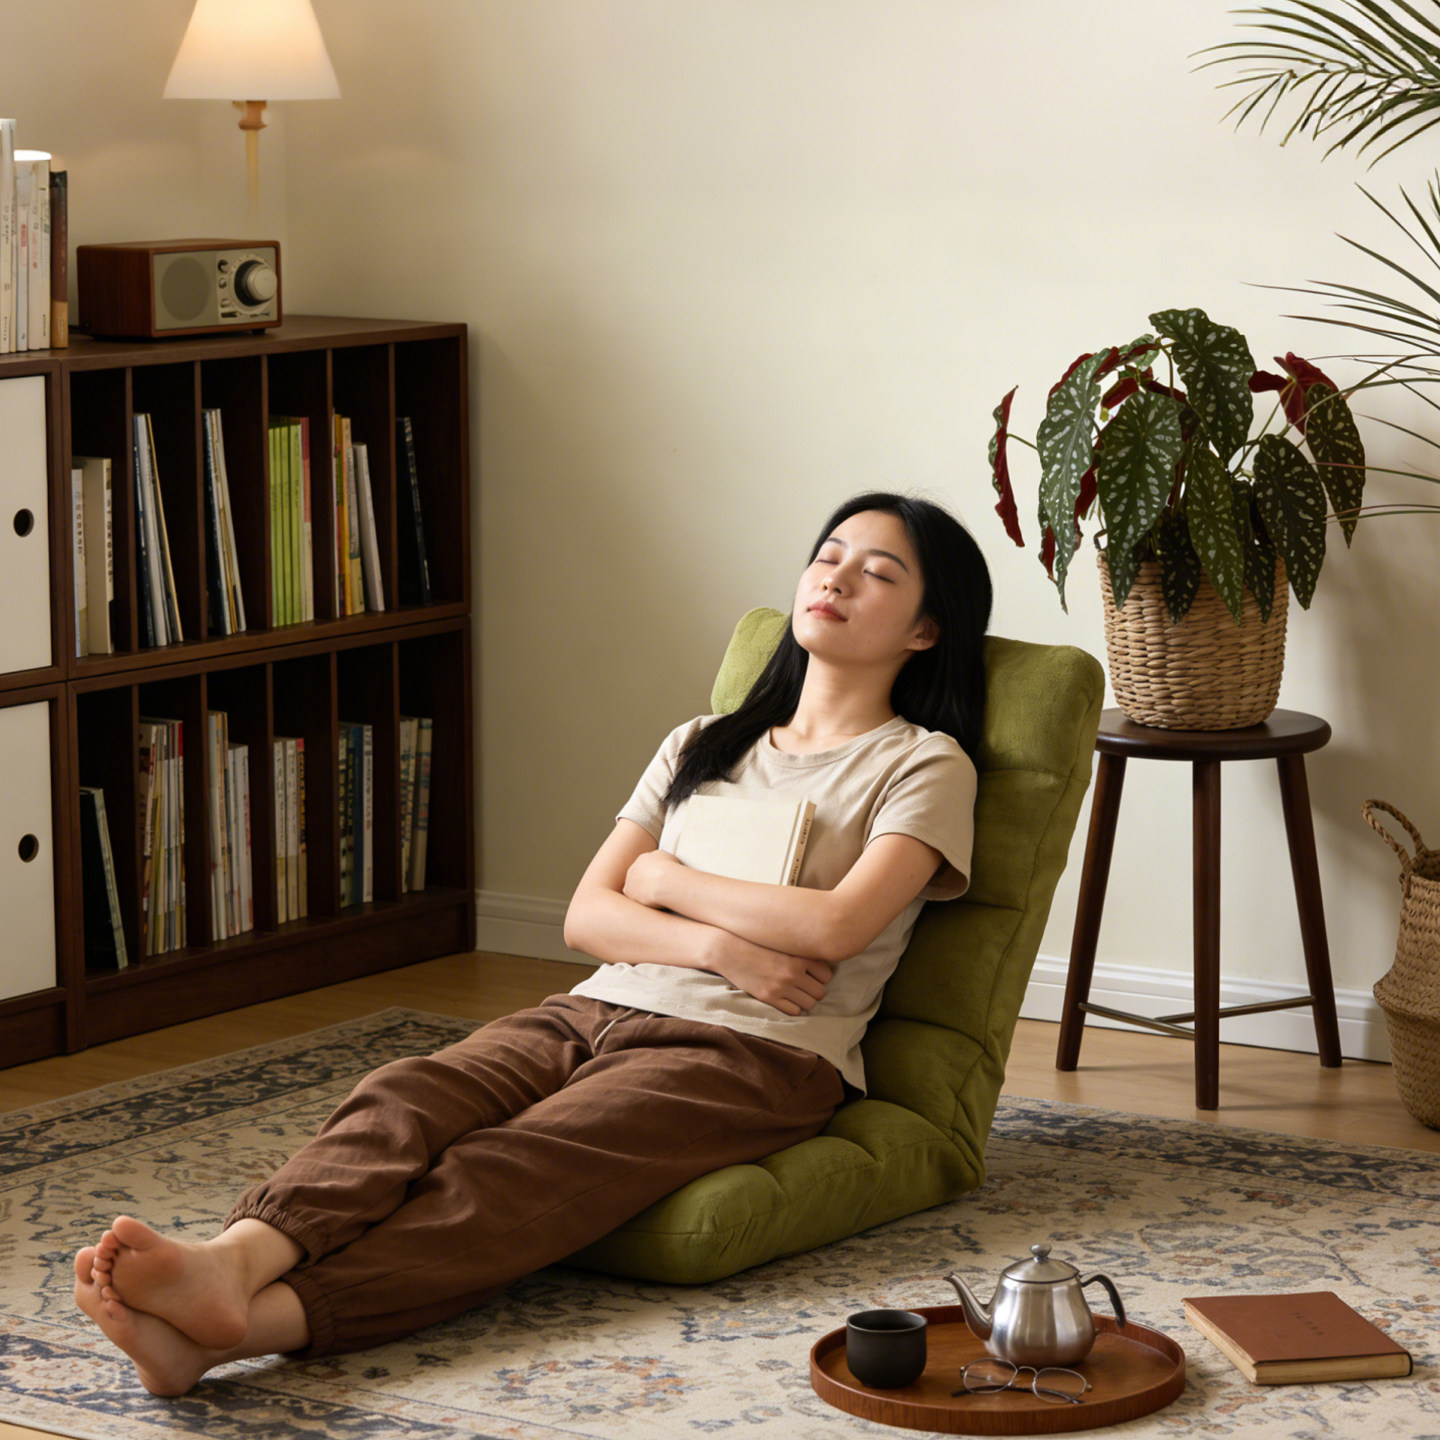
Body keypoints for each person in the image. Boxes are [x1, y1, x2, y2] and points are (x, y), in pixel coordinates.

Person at [71, 490, 992, 1396]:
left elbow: (837, 924)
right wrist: (724, 950)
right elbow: (587, 916)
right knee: (403, 1096)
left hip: (756, 1052)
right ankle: (233, 1262)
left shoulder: (922, 763)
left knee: (504, 1170)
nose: (836, 579)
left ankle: (244, 1331)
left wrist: (663, 881)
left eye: (878, 574)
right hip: (595, 1006)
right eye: (827, 556)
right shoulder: (703, 742)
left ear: (925, 630)